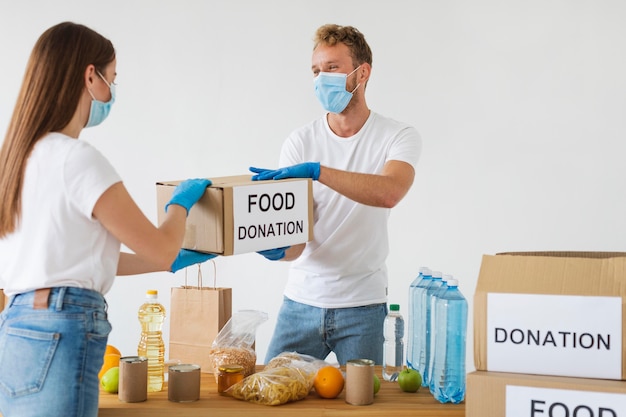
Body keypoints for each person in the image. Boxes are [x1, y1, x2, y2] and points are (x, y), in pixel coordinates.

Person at [0, 22, 214, 417]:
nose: (111, 91)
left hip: (18, 326)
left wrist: (169, 262)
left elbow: (78, 257)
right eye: (111, 79)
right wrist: (180, 204)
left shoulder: (18, 158)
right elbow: (162, 245)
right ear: (89, 76)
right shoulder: (76, 158)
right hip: (62, 326)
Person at [251, 24, 422, 365]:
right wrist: (274, 246)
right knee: (271, 396)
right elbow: (296, 242)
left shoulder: (398, 136)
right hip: (300, 303)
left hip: (363, 307)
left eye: (332, 68)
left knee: (364, 405)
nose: (321, 78)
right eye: (316, 71)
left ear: (363, 72)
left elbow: (390, 192)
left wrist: (319, 172)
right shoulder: (300, 142)